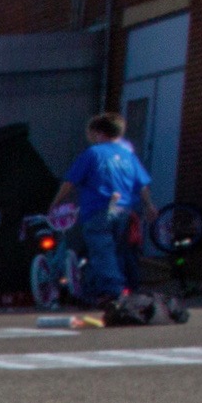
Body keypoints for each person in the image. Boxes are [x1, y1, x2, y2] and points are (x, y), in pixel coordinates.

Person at [53, 111, 153, 303]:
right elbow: (142, 184)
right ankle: (94, 290)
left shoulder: (93, 154)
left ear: (99, 132)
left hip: (98, 208)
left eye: (91, 133)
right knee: (113, 250)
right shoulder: (128, 155)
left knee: (101, 249)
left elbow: (70, 182)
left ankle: (113, 290)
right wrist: (149, 205)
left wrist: (56, 202)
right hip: (123, 210)